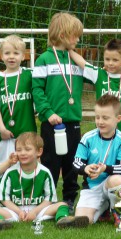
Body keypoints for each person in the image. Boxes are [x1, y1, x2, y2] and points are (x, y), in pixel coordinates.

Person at [70, 38, 121, 215]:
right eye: (107, 59)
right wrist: (68, 48)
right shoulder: (99, 75)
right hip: (104, 133)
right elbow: (83, 63)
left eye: (115, 60)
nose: (110, 63)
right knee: (104, 163)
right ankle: (102, 200)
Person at [0, 132, 89, 230]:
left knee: (62, 205)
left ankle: (63, 220)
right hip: (15, 211)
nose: (22, 153)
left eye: (27, 149)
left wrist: (35, 211)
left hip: (38, 210)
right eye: (19, 150)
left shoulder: (45, 172)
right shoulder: (10, 172)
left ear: (39, 151)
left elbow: (49, 199)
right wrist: (18, 212)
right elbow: (4, 199)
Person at [32, 12, 84, 212]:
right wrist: (47, 111)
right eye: (75, 35)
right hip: (51, 123)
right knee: (51, 162)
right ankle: (49, 199)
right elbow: (37, 89)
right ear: (63, 35)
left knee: (72, 163)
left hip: (73, 122)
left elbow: (95, 75)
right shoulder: (44, 60)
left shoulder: (76, 60)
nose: (78, 39)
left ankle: (70, 199)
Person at [0, 34, 37, 201]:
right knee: (4, 166)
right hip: (4, 133)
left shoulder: (30, 75)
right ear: (1, 56)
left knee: (27, 165)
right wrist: (1, 128)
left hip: (26, 131)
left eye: (16, 53)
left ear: (23, 56)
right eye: (7, 53)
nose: (11, 57)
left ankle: (26, 199)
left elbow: (38, 95)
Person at [72, 94, 121, 226]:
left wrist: (105, 168)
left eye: (105, 118)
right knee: (85, 221)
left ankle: (119, 212)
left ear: (118, 118)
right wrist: (85, 168)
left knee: (117, 180)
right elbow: (76, 162)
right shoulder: (88, 137)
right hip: (91, 187)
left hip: (110, 183)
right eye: (97, 117)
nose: (100, 121)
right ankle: (104, 208)